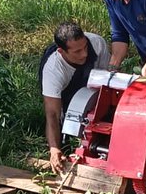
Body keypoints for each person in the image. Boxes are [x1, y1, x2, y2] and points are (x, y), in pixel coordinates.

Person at [41, 22, 111, 173]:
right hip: (65, 86)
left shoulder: (97, 44)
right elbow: (52, 113)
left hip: (90, 78)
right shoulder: (53, 70)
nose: (84, 54)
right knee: (62, 119)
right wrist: (54, 149)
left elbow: (104, 85)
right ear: (61, 51)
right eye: (77, 51)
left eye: (85, 47)